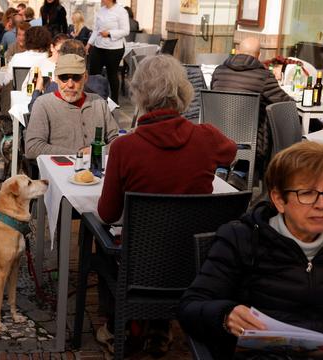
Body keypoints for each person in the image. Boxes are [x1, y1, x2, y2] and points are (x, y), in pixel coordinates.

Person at [96, 55, 236, 357]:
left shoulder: (124, 147)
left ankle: (114, 324)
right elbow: (232, 153)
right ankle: (159, 326)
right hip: (197, 260)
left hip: (140, 265)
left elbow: (107, 214)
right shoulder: (207, 136)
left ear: (139, 95)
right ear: (183, 94)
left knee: (100, 240)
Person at [179, 141, 323, 359]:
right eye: (308, 193)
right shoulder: (243, 239)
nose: (321, 204)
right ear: (279, 200)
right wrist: (225, 315)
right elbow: (190, 307)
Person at [211, 37, 292, 189]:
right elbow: (284, 102)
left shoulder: (219, 71)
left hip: (217, 135)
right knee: (264, 120)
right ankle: (240, 173)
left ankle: (222, 169)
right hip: (248, 140)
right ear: (258, 55)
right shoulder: (263, 76)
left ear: (238, 51)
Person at [25, 54, 119, 159]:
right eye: (64, 78)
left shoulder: (98, 102)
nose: (70, 84)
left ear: (85, 77)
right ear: (56, 78)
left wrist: (97, 151)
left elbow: (117, 140)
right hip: (58, 171)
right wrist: (78, 154)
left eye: (76, 78)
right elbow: (32, 148)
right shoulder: (43, 104)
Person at [86, 0, 129, 105]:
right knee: (93, 73)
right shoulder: (100, 11)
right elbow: (96, 30)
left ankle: (114, 102)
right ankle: (93, 99)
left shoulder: (121, 11)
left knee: (112, 74)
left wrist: (109, 33)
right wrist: (89, 43)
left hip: (114, 48)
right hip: (99, 46)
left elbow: (125, 31)